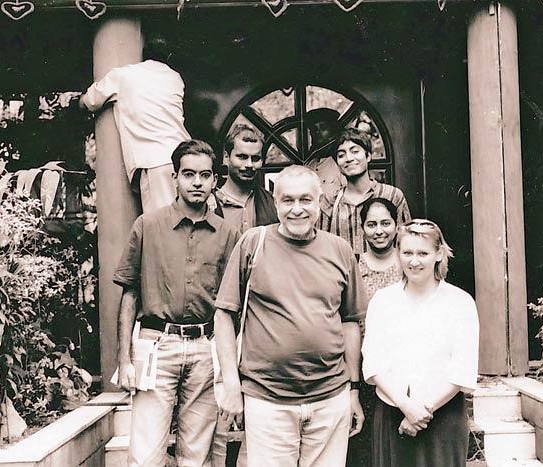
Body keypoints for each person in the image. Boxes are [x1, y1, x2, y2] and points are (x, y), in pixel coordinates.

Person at [213, 165, 367, 467]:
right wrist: (231, 384)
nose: (297, 209)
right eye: (288, 201)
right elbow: (223, 316)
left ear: (319, 201)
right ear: (275, 201)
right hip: (267, 399)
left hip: (330, 397)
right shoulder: (252, 244)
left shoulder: (340, 250)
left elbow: (350, 322)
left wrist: (353, 389)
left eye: (306, 200)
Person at [113, 139, 240, 466]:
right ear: (174, 178)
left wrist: (230, 366)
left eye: (204, 175)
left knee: (197, 456)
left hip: (205, 349)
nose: (197, 182)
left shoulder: (228, 234)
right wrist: (124, 359)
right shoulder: (147, 226)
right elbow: (129, 295)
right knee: (145, 455)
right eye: (188, 174)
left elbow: (233, 307)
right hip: (156, 346)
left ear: (214, 181)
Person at [362, 219, 480, 467]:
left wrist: (421, 412)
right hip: (392, 412)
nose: (414, 261)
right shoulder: (383, 301)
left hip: (443, 416)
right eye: (407, 253)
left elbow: (462, 368)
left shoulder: (460, 302)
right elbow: (373, 362)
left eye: (423, 253)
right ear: (398, 254)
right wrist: (406, 406)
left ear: (438, 254)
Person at [80, 35, 191, 213]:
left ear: (142, 55)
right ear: (169, 57)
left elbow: (89, 101)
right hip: (184, 155)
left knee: (160, 226)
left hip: (155, 160)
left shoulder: (123, 75)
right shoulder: (175, 78)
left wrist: (75, 104)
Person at [347, 197, 402, 467]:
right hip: (364, 366)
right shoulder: (354, 267)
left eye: (385, 223)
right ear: (362, 229)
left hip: (402, 367)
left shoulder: (408, 264)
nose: (379, 230)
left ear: (396, 225)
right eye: (371, 224)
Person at [320, 128, 411, 255]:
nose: (348, 158)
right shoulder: (329, 201)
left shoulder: (392, 196)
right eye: (341, 155)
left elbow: (406, 243)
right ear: (337, 163)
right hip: (341, 273)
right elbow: (321, 248)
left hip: (385, 273)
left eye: (355, 151)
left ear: (368, 156)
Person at [215, 123, 278, 233]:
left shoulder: (273, 202)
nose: (249, 164)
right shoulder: (209, 204)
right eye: (242, 157)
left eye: (255, 158)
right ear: (226, 157)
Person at [304, 108, 345, 199]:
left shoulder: (342, 163)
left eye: (323, 128)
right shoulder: (309, 164)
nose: (317, 132)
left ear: (333, 130)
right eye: (314, 129)